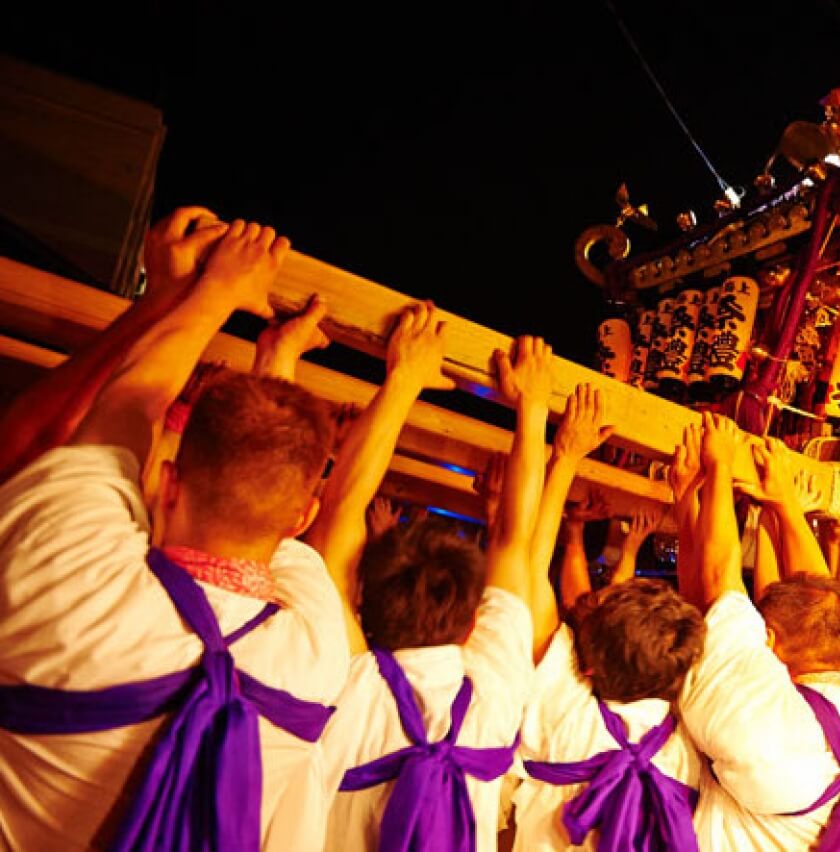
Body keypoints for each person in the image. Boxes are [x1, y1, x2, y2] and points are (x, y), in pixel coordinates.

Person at [0, 217, 350, 850]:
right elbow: (270, 506)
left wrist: (209, 291)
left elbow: (126, 405)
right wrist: (272, 360)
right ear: (300, 520)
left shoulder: (75, 581)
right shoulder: (318, 652)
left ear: (164, 482)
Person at [317, 326, 552, 852]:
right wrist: (534, 407)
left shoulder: (348, 681)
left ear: (363, 606)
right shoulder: (494, 687)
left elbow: (338, 521)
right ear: (473, 622)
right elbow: (516, 542)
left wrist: (404, 379)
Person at [678, 418, 840, 850]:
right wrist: (785, 505)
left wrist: (718, 468)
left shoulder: (765, 719)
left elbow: (720, 574)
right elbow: (819, 591)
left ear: (771, 641)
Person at [511, 385, 707, 851]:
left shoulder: (566, 709)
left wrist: (566, 455)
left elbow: (529, 569)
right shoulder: (689, 745)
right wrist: (689, 498)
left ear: (589, 665)